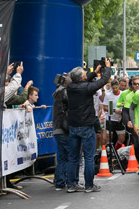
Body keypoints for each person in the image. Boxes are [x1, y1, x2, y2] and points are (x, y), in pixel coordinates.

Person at [66, 59, 112, 193]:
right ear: (81, 77)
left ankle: (71, 184)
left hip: (73, 125)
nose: (86, 74)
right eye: (84, 74)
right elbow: (103, 81)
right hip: (86, 125)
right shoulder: (86, 88)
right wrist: (107, 68)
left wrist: (95, 72)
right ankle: (89, 185)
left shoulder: (70, 87)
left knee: (73, 157)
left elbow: (84, 81)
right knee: (89, 157)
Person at [52, 73, 70, 191]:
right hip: (64, 129)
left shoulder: (57, 93)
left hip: (57, 129)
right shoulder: (64, 93)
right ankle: (70, 180)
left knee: (62, 157)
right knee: (72, 156)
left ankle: (59, 181)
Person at [101, 79, 126, 151]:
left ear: (119, 86)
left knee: (122, 138)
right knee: (108, 138)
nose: (115, 89)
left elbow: (126, 106)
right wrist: (114, 110)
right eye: (113, 88)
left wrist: (121, 115)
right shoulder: (108, 95)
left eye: (116, 87)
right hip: (110, 119)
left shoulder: (123, 94)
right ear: (111, 87)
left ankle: (116, 152)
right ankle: (107, 153)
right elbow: (105, 107)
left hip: (119, 119)